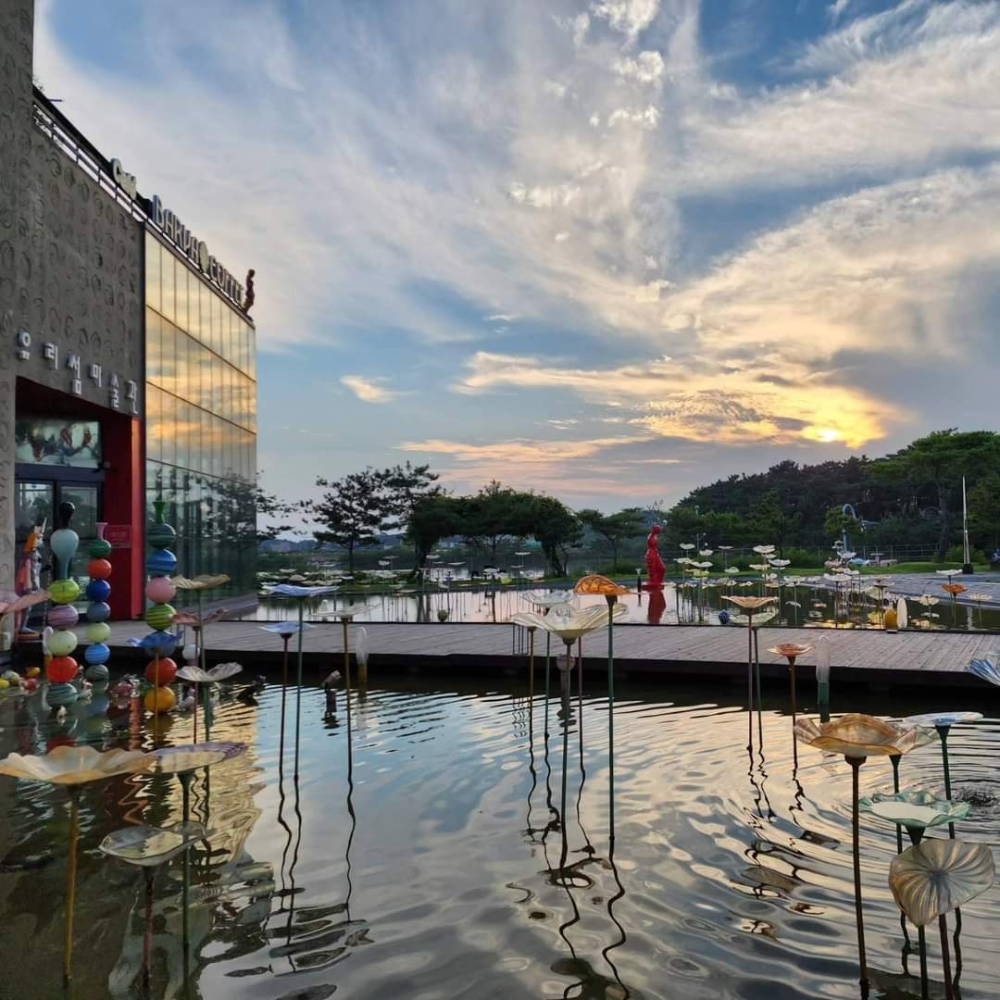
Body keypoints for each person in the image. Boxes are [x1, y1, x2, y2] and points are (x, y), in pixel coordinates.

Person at [645, 524, 665, 589]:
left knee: (662, 568)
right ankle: (653, 582)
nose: (659, 530)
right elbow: (651, 544)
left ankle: (658, 581)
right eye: (658, 529)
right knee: (652, 569)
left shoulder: (655, 536)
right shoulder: (650, 536)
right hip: (651, 554)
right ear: (654, 530)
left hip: (655, 553)